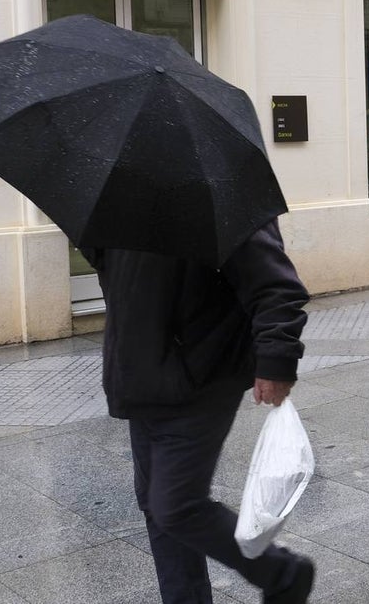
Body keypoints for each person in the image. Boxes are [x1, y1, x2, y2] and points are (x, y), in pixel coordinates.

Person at [84, 218, 315, 604]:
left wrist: (276, 361)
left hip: (202, 373)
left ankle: (283, 572)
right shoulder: (124, 199)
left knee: (175, 506)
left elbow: (277, 288)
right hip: (141, 373)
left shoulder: (214, 192)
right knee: (157, 507)